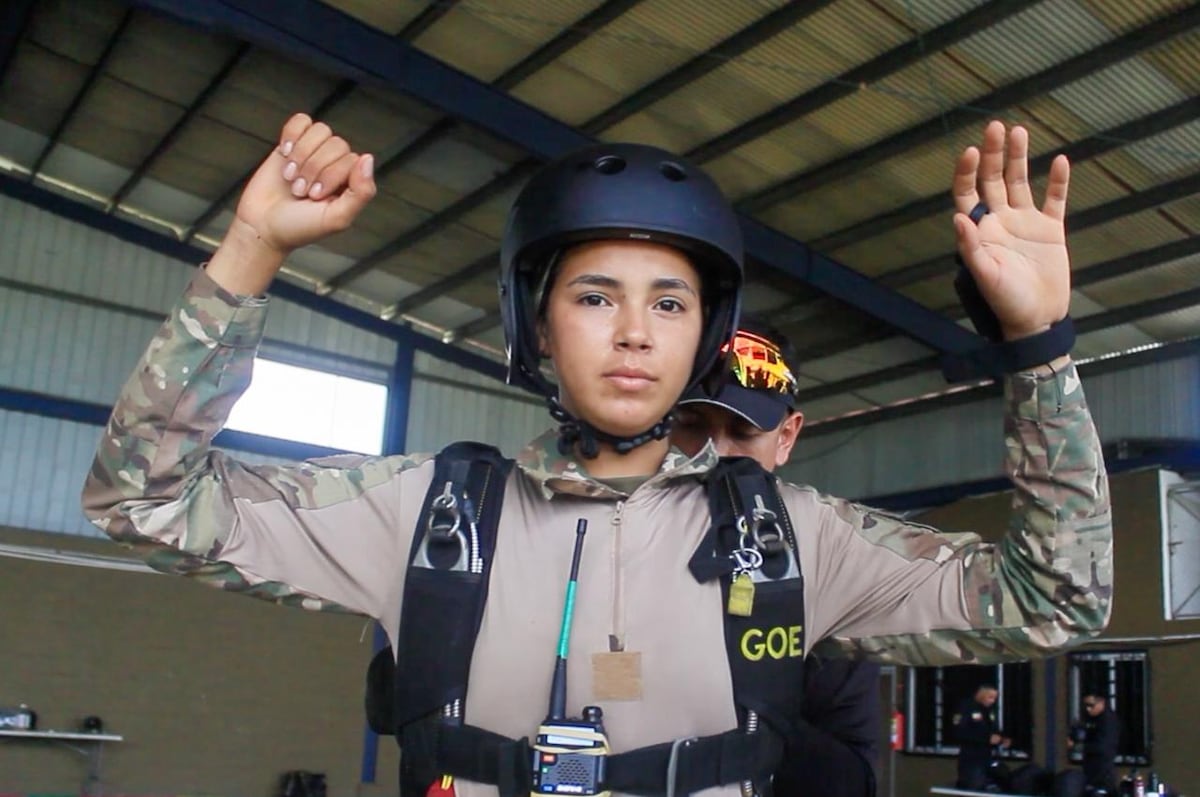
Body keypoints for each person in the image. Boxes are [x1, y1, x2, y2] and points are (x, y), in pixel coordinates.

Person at [82, 113, 1112, 797]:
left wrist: (1039, 350)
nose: (634, 332)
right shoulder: (424, 512)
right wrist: (250, 254)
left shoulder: (794, 539)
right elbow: (144, 498)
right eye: (593, 295)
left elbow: (1057, 598)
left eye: (670, 302)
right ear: (535, 326)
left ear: (705, 335)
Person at [671, 317, 881, 797]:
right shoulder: (597, 545)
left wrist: (742, 698)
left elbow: (852, 781)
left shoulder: (825, 577)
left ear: (785, 438)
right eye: (692, 425)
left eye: (743, 432)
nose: (715, 453)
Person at [953, 684, 1011, 791]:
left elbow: (993, 730)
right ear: (981, 694)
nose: (992, 701)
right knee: (974, 786)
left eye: (994, 698)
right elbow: (959, 732)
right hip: (971, 759)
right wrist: (985, 738)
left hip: (987, 757)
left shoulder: (989, 711)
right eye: (990, 697)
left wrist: (1002, 739)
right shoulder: (966, 707)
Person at [1068, 693, 1120, 794]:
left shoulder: (1108, 721)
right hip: (1090, 768)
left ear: (1101, 703)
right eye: (1086, 705)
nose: (1088, 709)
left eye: (1091, 705)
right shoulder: (1090, 719)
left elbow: (1102, 746)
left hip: (1103, 771)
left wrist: (1077, 747)